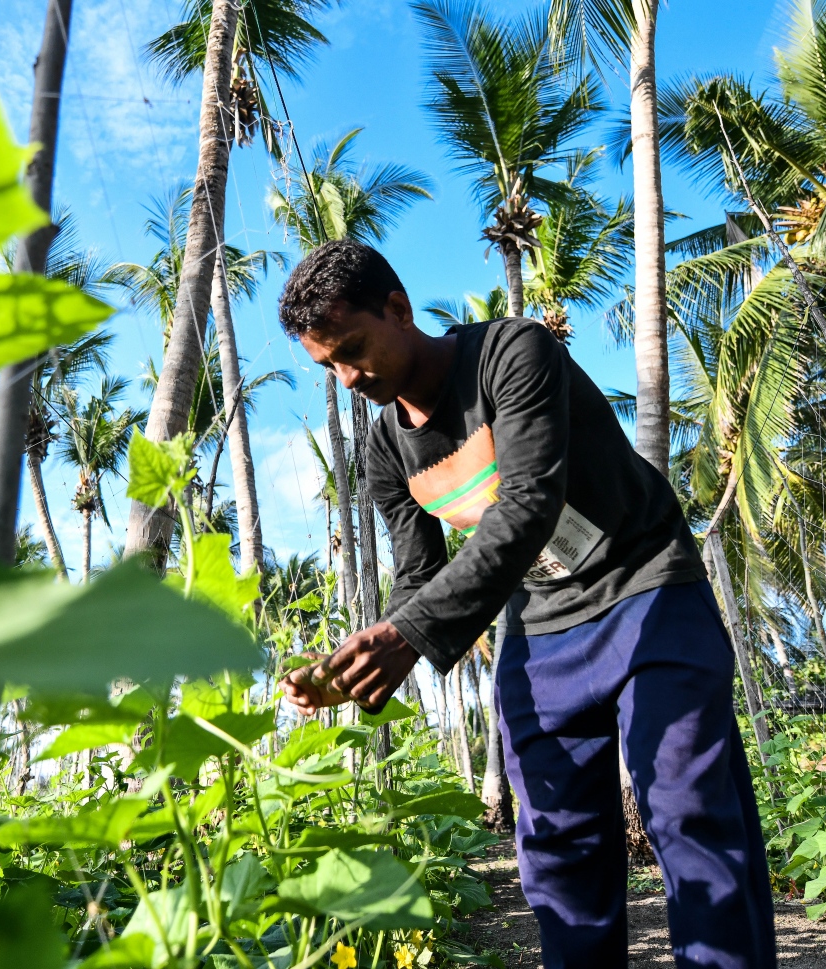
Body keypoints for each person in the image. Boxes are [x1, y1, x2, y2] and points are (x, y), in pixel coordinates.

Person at [275, 239, 776, 969]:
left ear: (398, 308)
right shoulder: (386, 452)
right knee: (558, 856)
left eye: (352, 349)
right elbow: (417, 573)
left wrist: (409, 632)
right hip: (540, 632)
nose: (348, 376)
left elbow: (529, 505)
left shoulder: (512, 353)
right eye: (329, 366)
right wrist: (363, 654)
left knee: (689, 814)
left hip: (645, 587)